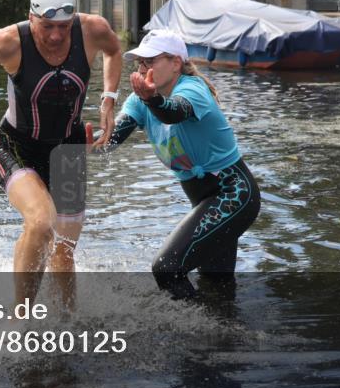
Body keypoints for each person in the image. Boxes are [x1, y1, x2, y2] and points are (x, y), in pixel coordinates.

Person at [0, 0, 122, 305]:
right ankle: (20, 317)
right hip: (16, 146)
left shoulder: (92, 30)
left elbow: (114, 51)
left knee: (64, 251)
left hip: (68, 149)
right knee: (41, 221)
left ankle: (67, 319)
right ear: (31, 17)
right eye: (47, 26)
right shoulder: (6, 42)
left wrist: (109, 98)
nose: (57, 35)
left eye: (64, 26)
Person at [104, 29, 261, 299]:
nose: (143, 68)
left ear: (176, 63)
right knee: (215, 286)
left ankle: (197, 332)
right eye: (140, 63)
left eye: (150, 61)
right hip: (207, 203)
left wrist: (151, 99)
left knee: (167, 268)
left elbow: (173, 112)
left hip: (234, 194)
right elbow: (110, 139)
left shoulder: (192, 89)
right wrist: (76, 139)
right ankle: (226, 336)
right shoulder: (140, 100)